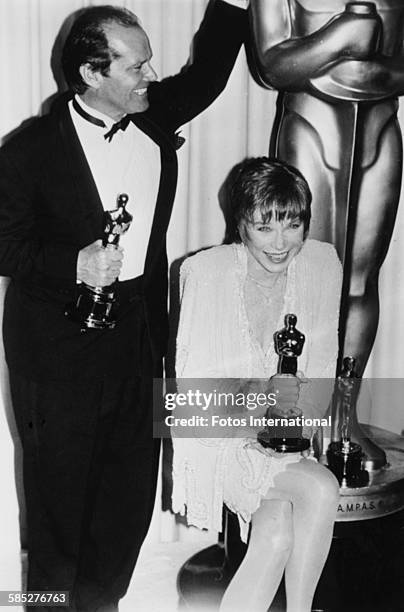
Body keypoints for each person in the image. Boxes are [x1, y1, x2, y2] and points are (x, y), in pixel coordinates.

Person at [0, 2, 247, 610]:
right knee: (59, 510)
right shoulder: (26, 151)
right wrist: (72, 264)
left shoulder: (152, 114)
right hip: (55, 348)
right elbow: (4, 241)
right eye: (136, 66)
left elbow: (209, 73)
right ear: (91, 73)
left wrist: (235, 5)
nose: (149, 76)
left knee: (126, 496)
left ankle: (102, 603)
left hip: (136, 335)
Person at [172, 157, 341, 612]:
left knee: (276, 534)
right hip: (223, 442)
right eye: (264, 227)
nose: (281, 243)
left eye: (292, 225)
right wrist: (258, 412)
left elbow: (320, 382)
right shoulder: (205, 274)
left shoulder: (322, 264)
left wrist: (289, 425)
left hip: (288, 445)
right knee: (322, 489)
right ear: (240, 225)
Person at [249, 0, 404, 376]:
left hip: (380, 127)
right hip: (310, 126)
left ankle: (342, 415)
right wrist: (342, 37)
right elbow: (274, 65)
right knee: (305, 276)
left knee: (360, 282)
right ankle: (298, 413)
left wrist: (328, 65)